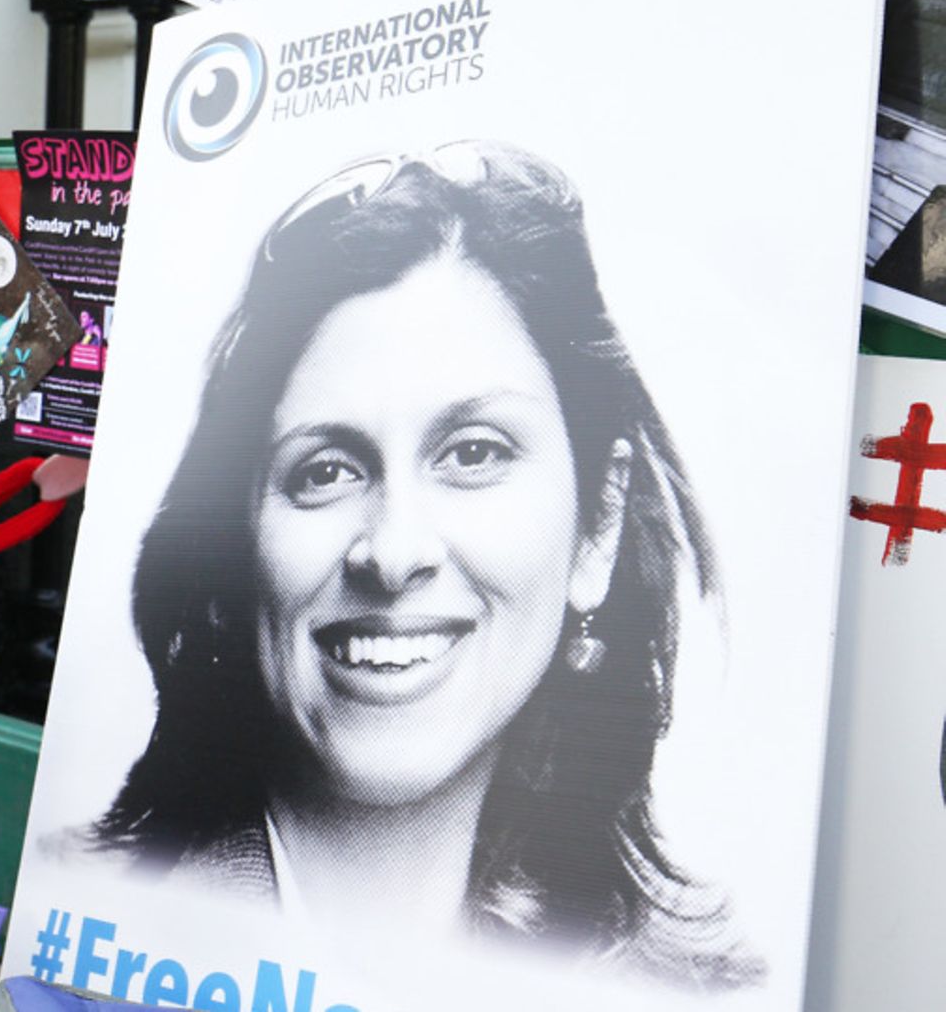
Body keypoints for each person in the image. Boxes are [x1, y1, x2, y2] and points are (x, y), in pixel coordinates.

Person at [85, 141, 760, 990]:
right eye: (325, 471)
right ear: (230, 544)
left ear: (599, 524)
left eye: (474, 452)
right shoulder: (91, 925)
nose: (394, 552)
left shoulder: (694, 989)